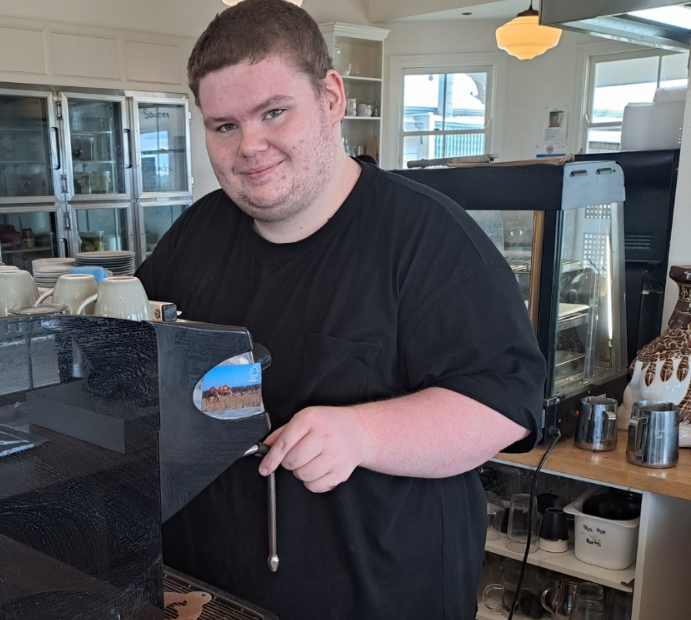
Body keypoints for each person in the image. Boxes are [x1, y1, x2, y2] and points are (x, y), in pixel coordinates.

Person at [135, 1, 547, 618]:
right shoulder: (196, 233)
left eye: (274, 112)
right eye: (223, 126)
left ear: (331, 98)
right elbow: (134, 352)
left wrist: (362, 433)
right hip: (209, 593)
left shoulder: (428, 238)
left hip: (379, 596)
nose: (250, 146)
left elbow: (503, 408)